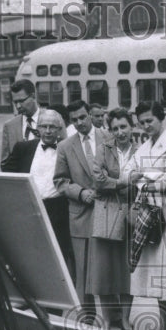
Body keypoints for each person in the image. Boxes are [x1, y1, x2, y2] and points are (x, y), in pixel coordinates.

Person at [121, 100, 166, 330]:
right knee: (155, 276)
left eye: (150, 121)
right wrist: (146, 177)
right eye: (142, 123)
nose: (146, 126)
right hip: (149, 215)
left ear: (162, 119)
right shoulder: (144, 146)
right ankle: (165, 325)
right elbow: (126, 173)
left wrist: (143, 177)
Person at [1, 108, 75, 277]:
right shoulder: (23, 148)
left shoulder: (68, 149)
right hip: (30, 209)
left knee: (59, 257)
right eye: (44, 126)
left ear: (59, 129)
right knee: (31, 254)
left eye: (52, 127)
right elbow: (7, 173)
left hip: (58, 211)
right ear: (38, 128)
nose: (48, 131)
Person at [88, 107, 138, 330]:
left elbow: (144, 178)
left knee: (127, 270)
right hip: (107, 214)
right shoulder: (103, 149)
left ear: (132, 126)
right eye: (115, 128)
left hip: (131, 214)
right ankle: (108, 318)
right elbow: (98, 179)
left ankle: (126, 319)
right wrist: (124, 181)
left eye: (123, 126)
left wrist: (114, 181)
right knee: (105, 269)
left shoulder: (140, 150)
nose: (119, 132)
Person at [54, 100, 101, 305]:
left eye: (83, 117)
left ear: (90, 114)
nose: (80, 123)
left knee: (109, 266)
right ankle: (88, 315)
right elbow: (60, 181)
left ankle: (115, 315)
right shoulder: (65, 146)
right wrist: (81, 193)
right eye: (74, 120)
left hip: (107, 211)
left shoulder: (108, 137)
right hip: (80, 214)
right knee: (82, 268)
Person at [1, 79, 43, 164]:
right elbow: (5, 162)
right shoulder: (9, 126)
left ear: (33, 96)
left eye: (21, 101)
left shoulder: (52, 119)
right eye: (15, 102)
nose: (18, 106)